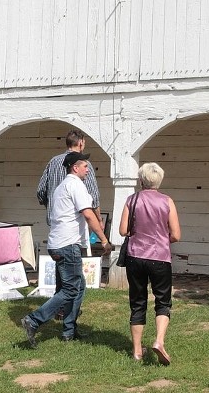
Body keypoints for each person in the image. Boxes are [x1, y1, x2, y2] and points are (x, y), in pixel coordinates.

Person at [21, 152, 112, 347]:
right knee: (71, 289)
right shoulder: (75, 185)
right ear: (75, 168)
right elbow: (88, 214)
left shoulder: (62, 187)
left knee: (76, 287)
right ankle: (34, 320)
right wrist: (104, 240)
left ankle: (69, 331)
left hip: (58, 243)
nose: (88, 170)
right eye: (85, 166)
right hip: (68, 244)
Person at [118, 163, 181, 365]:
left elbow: (122, 230)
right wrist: (162, 239)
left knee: (137, 302)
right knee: (163, 301)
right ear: (159, 180)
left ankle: (137, 350)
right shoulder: (167, 201)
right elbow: (176, 235)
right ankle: (159, 341)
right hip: (160, 256)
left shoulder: (132, 199)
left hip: (135, 256)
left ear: (141, 180)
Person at [37, 130, 101, 226]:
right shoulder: (84, 164)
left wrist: (51, 204)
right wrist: (99, 220)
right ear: (80, 143)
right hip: (75, 223)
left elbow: (41, 191)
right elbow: (93, 195)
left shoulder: (53, 162)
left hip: (55, 220)